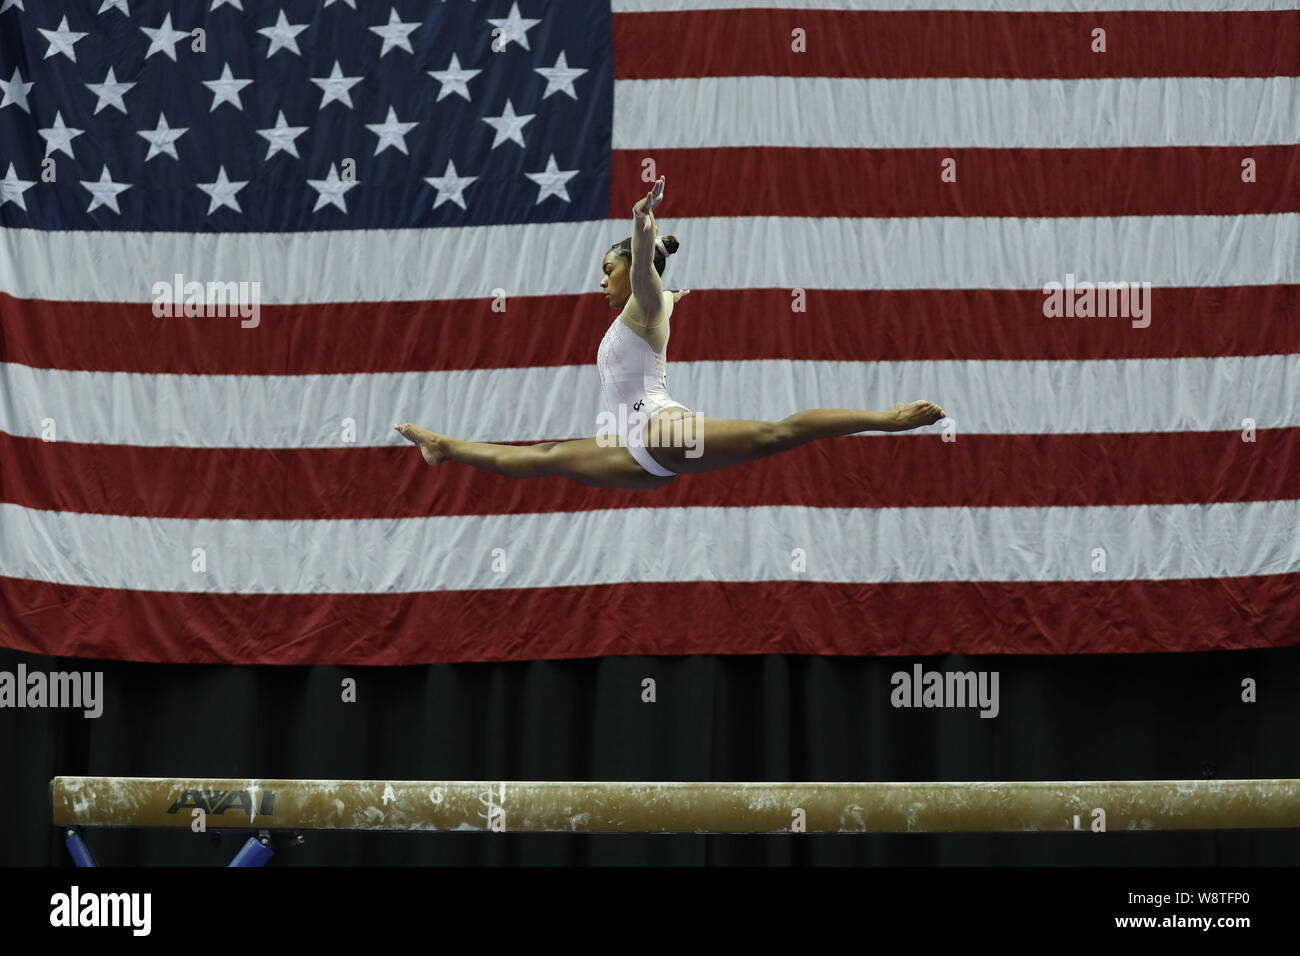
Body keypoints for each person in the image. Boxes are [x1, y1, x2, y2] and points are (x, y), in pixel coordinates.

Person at [396, 175, 946, 491]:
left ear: (631, 265)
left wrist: (641, 223)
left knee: (777, 434)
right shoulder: (645, 311)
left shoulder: (645, 297)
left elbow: (643, 275)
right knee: (545, 457)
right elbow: (654, 299)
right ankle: (446, 448)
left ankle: (888, 420)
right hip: (635, 451)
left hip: (660, 431)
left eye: (606, 270)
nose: (602, 283)